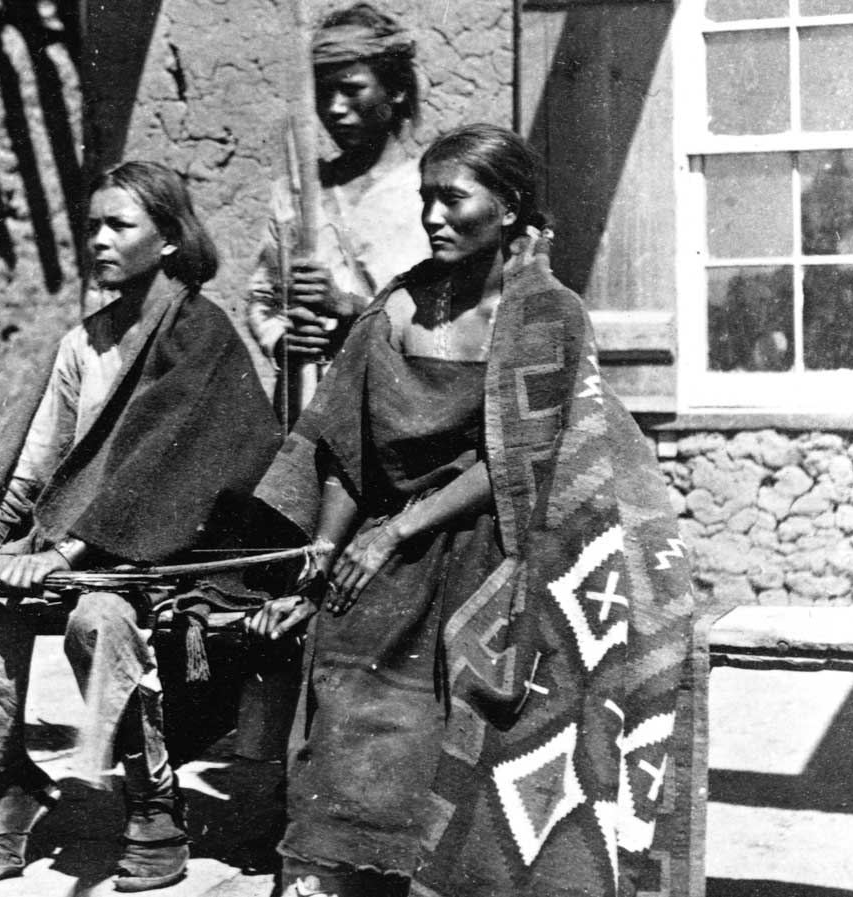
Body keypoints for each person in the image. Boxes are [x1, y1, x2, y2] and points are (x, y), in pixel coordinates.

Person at [247, 124, 693, 897]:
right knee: (348, 704)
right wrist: (322, 553)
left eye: (453, 198)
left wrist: (397, 530)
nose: (432, 216)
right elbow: (347, 446)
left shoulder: (548, 314)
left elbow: (520, 459)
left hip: (494, 554)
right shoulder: (395, 306)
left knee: (466, 739)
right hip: (385, 560)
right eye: (425, 198)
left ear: (509, 206)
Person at [0, 161, 282, 890]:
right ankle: (9, 783)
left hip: (170, 553)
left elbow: (171, 467)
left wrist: (69, 548)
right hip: (70, 544)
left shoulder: (202, 334)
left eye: (118, 225)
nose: (98, 238)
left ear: (168, 239)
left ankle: (151, 802)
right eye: (92, 224)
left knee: (98, 621)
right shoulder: (82, 343)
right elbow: (36, 467)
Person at [246, 2, 430, 418]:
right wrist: (280, 340)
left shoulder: (428, 192)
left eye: (351, 89)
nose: (334, 108)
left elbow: (445, 319)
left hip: (396, 410)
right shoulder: (297, 194)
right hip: (307, 409)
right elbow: (262, 297)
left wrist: (351, 307)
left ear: (396, 90)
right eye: (323, 92)